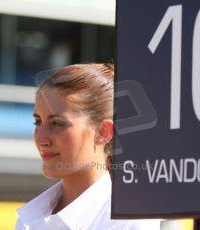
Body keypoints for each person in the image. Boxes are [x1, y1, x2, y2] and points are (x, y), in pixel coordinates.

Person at [16, 63, 161, 229]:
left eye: (56, 123)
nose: (40, 138)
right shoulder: (30, 218)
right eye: (38, 122)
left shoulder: (131, 222)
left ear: (103, 132)